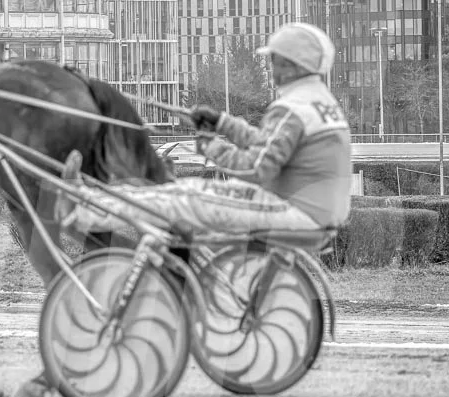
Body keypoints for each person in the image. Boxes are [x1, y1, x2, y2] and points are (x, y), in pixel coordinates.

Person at [59, 22, 352, 237]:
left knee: (178, 197)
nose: (270, 68)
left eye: (274, 61)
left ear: (292, 66)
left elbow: (256, 169)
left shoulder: (292, 108)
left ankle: (83, 211)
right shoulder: (318, 102)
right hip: (314, 208)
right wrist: (222, 123)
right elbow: (267, 143)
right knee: (176, 192)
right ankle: (89, 201)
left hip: (293, 209)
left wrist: (212, 147)